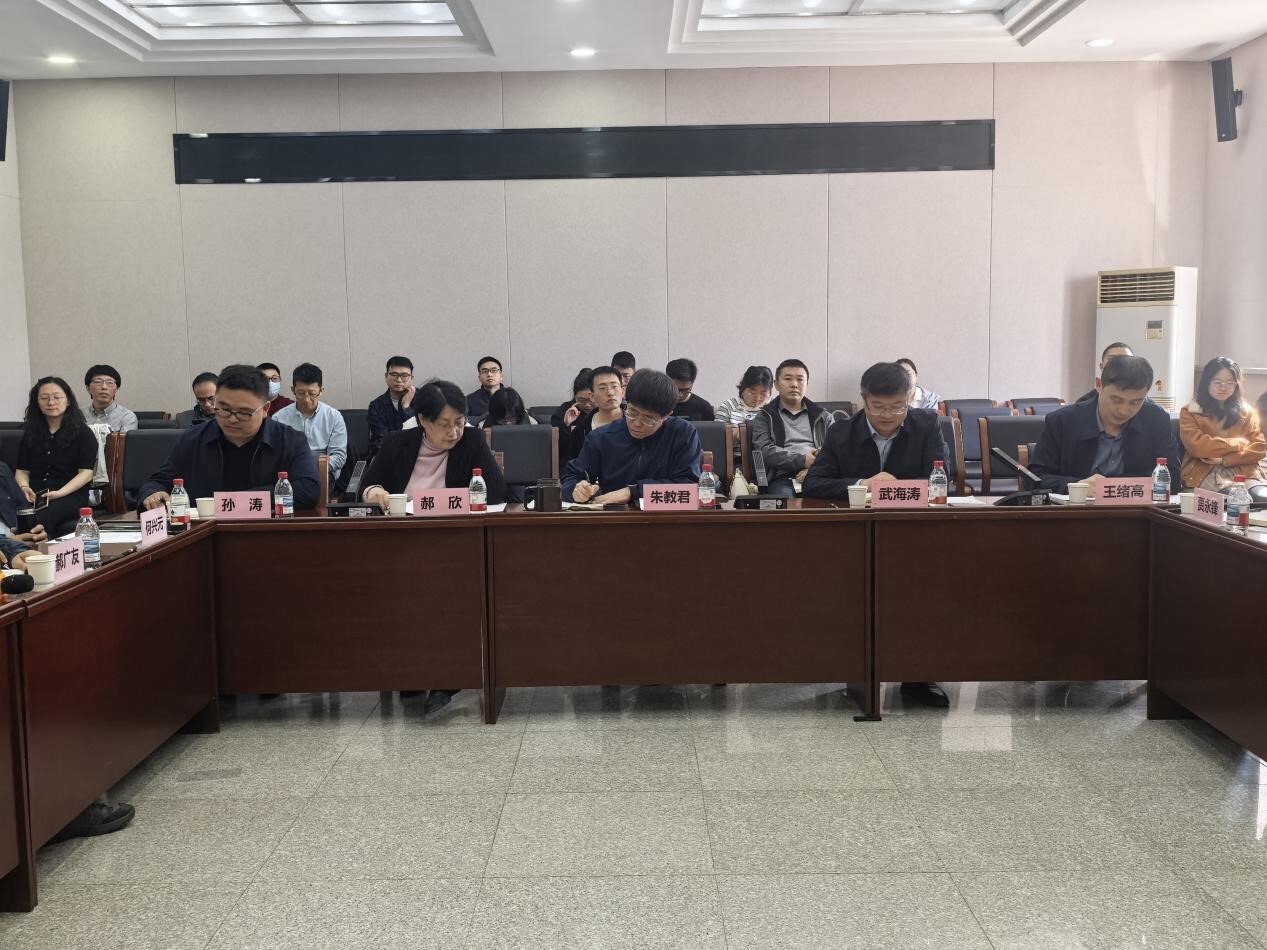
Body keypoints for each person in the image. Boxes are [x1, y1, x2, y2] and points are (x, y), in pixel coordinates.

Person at [362, 381, 505, 713]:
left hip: (457, 543)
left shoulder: (471, 440)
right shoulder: (397, 442)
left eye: (459, 422)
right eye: (444, 424)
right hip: (403, 544)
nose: (454, 432)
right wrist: (375, 493)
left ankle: (448, 674)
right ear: (423, 420)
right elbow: (366, 488)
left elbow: (496, 492)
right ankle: (414, 668)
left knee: (452, 587)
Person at [138, 365, 319, 510]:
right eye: (224, 409)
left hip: (267, 532)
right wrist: (152, 493)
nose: (232, 419)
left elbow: (308, 490)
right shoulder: (193, 439)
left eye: (244, 412)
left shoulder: (290, 440)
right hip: (204, 533)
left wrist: (239, 501)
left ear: (265, 409)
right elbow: (158, 481)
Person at [1030, 355, 1179, 493]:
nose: (1124, 410)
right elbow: (1035, 478)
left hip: (1136, 510)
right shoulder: (1063, 421)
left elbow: (1172, 478)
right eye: (1116, 400)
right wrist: (1076, 486)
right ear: (1099, 385)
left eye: (1135, 402)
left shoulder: (1156, 420)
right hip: (1076, 509)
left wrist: (1114, 487)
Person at [804, 361, 949, 497]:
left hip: (908, 512)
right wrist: (863, 485)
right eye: (878, 407)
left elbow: (939, 480)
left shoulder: (927, 426)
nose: (887, 415)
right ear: (864, 399)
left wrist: (893, 489)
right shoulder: (840, 432)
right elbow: (812, 483)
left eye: (897, 407)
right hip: (858, 513)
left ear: (908, 399)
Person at [562, 369, 702, 504]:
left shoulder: (682, 433)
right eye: (632, 412)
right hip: (615, 516)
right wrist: (575, 489)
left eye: (648, 418)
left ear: (666, 416)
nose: (637, 423)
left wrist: (632, 492)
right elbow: (572, 477)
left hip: (668, 516)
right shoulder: (601, 437)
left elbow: (689, 487)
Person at [15, 377, 98, 534]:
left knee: (37, 518)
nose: (51, 402)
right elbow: (22, 471)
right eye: (44, 398)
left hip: (69, 495)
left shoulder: (83, 433)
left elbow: (86, 474)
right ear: (37, 402)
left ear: (68, 401)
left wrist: (59, 493)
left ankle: (31, 547)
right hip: (34, 495)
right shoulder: (31, 432)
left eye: (57, 397)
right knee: (11, 513)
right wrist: (24, 488)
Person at [1179, 357, 1267, 502]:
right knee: (1235, 500)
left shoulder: (1247, 412)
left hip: (1245, 471)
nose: (1223, 387)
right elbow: (1198, 446)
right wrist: (1237, 443)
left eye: (1230, 383)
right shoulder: (1191, 411)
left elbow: (1259, 448)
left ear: (1236, 384)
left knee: (1262, 498)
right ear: (1207, 383)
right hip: (1207, 471)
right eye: (1217, 382)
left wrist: (1225, 459)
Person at [750, 359, 834, 498]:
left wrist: (813, 469)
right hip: (783, 479)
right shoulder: (764, 416)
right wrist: (803, 460)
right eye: (788, 379)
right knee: (787, 504)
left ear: (807, 384)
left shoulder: (824, 417)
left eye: (800, 379)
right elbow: (764, 451)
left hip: (819, 475)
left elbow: (834, 452)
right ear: (776, 384)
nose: (794, 384)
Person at [271, 363, 348, 482]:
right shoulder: (279, 418)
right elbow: (275, 455)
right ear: (293, 390)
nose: (306, 399)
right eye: (301, 393)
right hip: (290, 475)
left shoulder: (334, 416)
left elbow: (339, 457)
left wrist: (314, 466)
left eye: (312, 394)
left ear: (321, 391)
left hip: (323, 474)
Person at [368, 356, 416, 455]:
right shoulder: (376, 406)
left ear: (411, 378)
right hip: (387, 456)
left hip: (416, 455)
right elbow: (380, 440)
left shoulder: (423, 399)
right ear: (386, 376)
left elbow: (420, 434)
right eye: (394, 374)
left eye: (404, 375)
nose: (398, 380)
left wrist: (406, 408)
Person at [553, 368, 597, 466]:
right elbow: (557, 448)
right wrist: (565, 425)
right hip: (571, 465)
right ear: (574, 396)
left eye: (591, 400)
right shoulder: (564, 410)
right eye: (581, 400)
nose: (587, 405)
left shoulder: (604, 411)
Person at [81, 364, 138, 432]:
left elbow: (125, 439)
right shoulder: (78, 415)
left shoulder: (127, 417)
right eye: (98, 382)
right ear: (88, 388)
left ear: (116, 389)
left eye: (110, 382)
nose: (104, 387)